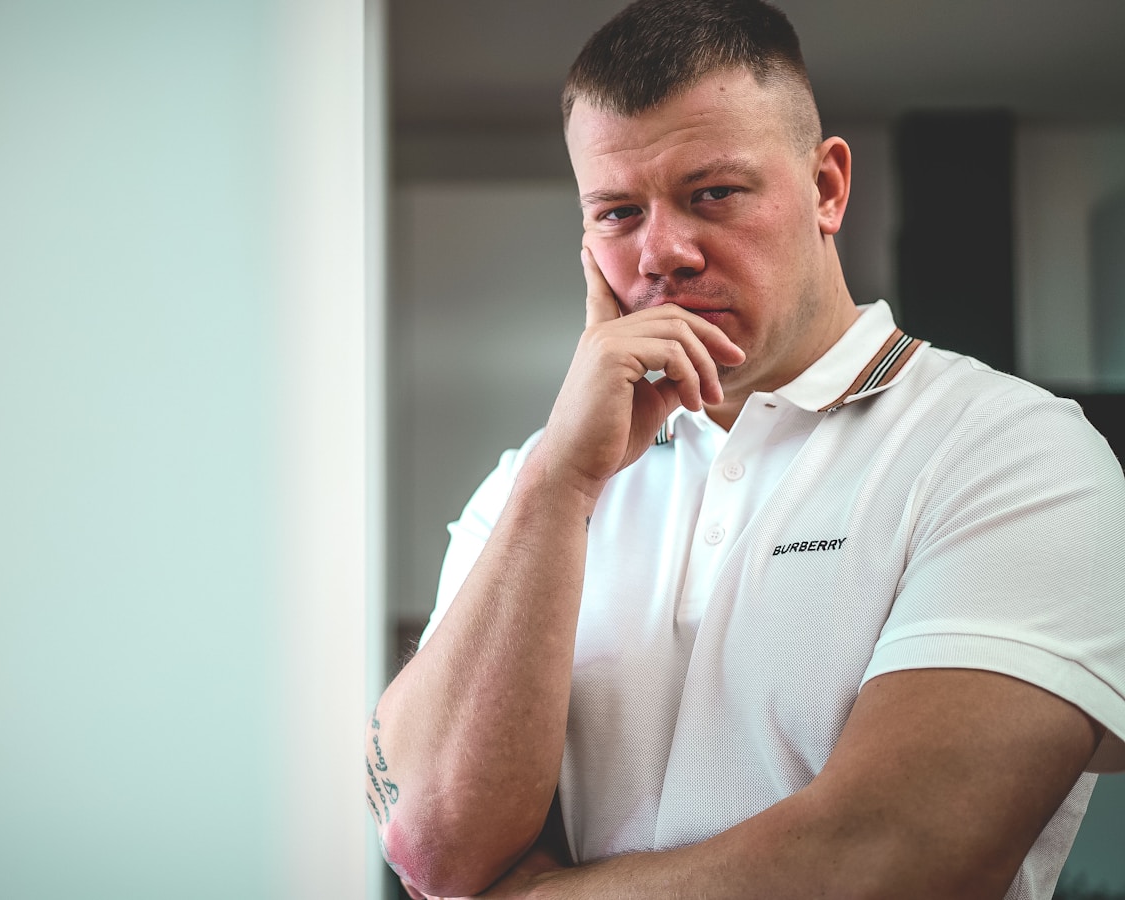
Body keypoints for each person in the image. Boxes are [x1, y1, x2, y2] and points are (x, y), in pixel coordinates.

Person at [363, 1, 1125, 898]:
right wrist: (562, 483)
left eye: (713, 194)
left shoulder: (1011, 452)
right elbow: (434, 846)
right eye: (616, 212)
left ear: (827, 189)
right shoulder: (529, 489)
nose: (664, 253)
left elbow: (896, 863)